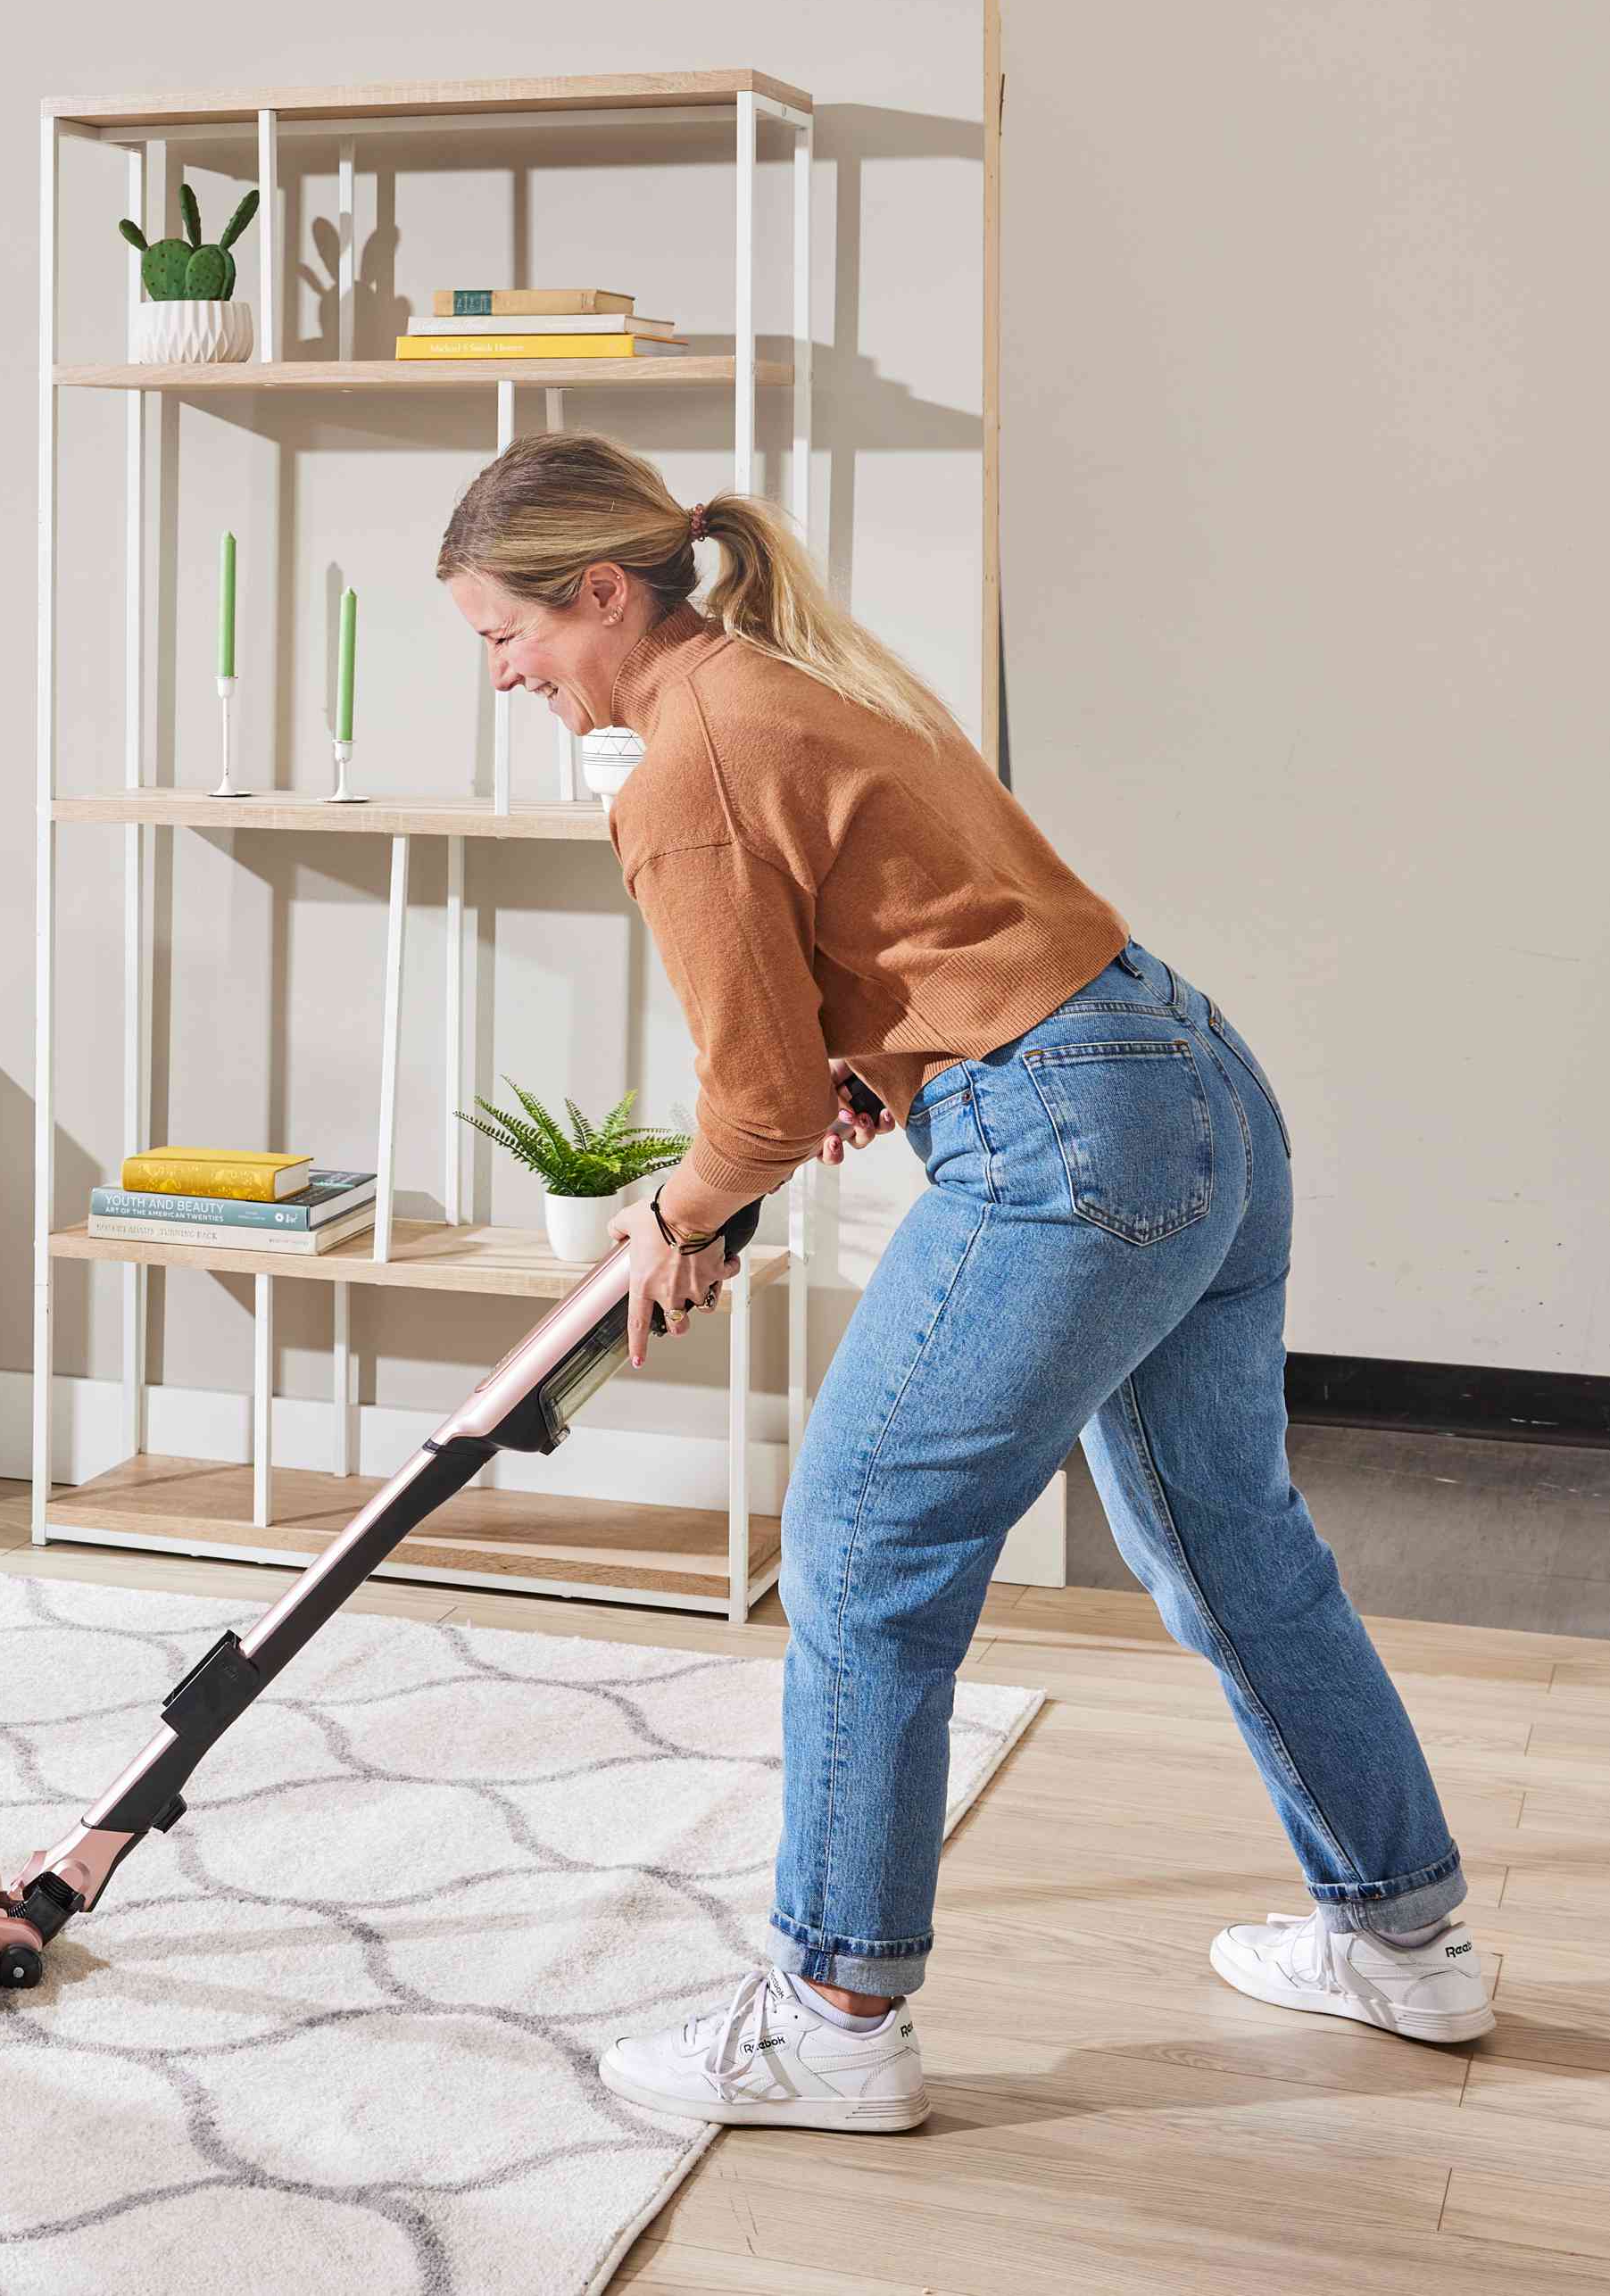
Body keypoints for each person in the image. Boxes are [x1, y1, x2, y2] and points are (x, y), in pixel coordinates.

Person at [437, 433, 1485, 2133]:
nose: (505, 673)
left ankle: (836, 2017)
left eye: (509, 635)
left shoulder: (680, 763)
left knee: (861, 1549)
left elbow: (755, 1107)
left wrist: (677, 1216)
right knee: (1230, 1536)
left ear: (604, 595)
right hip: (1184, 1081)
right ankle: (1406, 1938)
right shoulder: (788, 682)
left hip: (1067, 1140)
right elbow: (916, 941)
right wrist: (879, 1057)